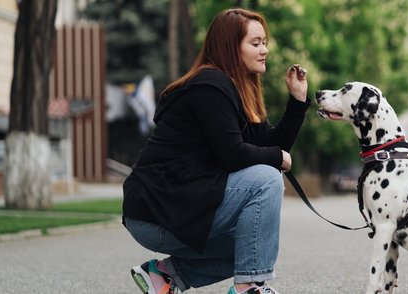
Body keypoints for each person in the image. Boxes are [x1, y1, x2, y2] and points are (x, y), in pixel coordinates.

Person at [122, 8, 310, 294]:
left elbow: (272, 143)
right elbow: (233, 154)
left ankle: (164, 276)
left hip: (175, 207)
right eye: (256, 43)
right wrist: (276, 159)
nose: (265, 50)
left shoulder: (235, 89)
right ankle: (248, 288)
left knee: (253, 242)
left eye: (264, 43)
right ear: (231, 47)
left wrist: (297, 101)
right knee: (267, 179)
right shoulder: (209, 86)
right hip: (156, 211)